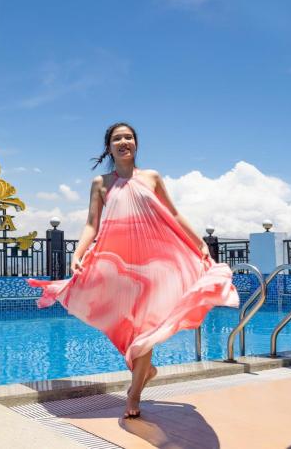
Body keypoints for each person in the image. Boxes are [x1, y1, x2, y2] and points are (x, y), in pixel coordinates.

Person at [28, 122, 239, 419]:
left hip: (154, 265)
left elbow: (174, 213)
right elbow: (92, 225)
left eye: (128, 137)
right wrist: (77, 253)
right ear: (109, 147)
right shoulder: (101, 183)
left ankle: (134, 393)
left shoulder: (151, 177)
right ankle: (145, 371)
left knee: (145, 331)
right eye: (117, 138)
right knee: (128, 328)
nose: (123, 141)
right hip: (120, 268)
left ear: (136, 143)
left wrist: (199, 242)